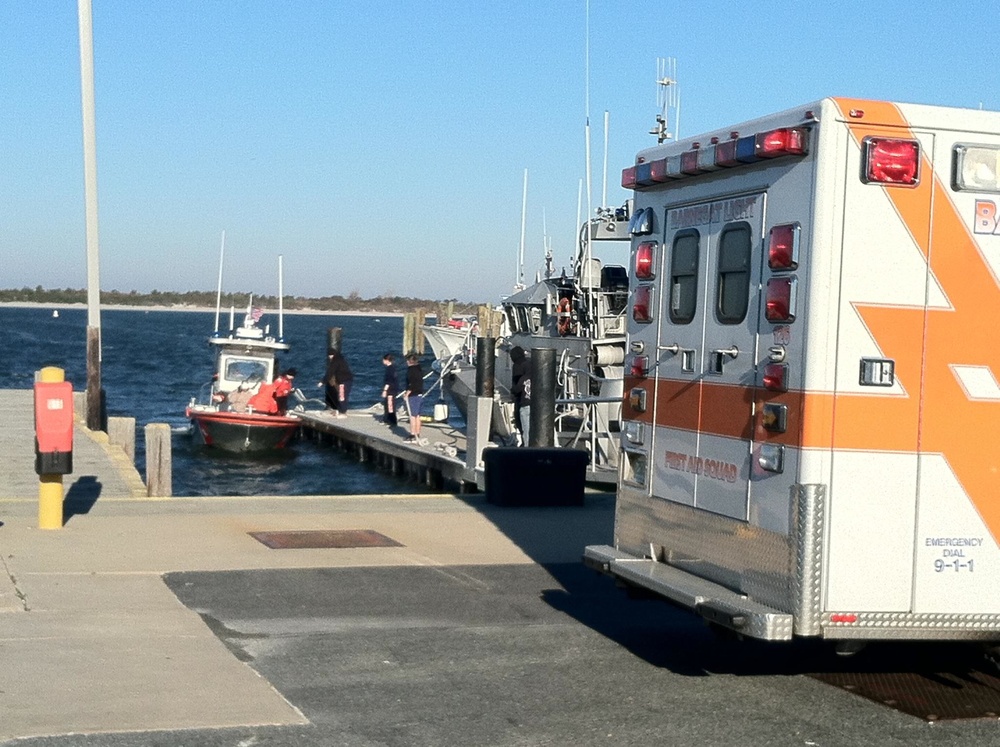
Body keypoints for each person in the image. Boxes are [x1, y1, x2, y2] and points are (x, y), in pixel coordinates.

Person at [322, 348, 353, 418]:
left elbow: (330, 372)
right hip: (348, 380)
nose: (329, 357)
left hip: (343, 381)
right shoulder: (341, 359)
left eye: (329, 355)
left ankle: (342, 412)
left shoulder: (335, 361)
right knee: (344, 396)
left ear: (332, 355)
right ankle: (341, 410)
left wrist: (323, 381)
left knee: (341, 396)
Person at [510, 345, 531, 446]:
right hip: (535, 400)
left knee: (523, 424)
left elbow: (517, 386)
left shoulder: (517, 366)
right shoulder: (530, 364)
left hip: (522, 398)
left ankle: (525, 445)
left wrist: (513, 392)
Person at [402, 352, 424, 442]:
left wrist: (406, 394)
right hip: (420, 394)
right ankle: (417, 433)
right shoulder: (419, 369)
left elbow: (411, 384)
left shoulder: (411, 371)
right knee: (418, 415)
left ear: (410, 361)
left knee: (412, 416)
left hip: (413, 395)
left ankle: (412, 435)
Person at [380, 353, 399, 426]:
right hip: (393, 389)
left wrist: (385, 390)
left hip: (391, 390)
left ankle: (392, 421)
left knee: (390, 406)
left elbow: (389, 381)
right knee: (387, 405)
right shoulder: (392, 368)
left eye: (384, 359)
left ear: (387, 360)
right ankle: (387, 419)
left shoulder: (390, 369)